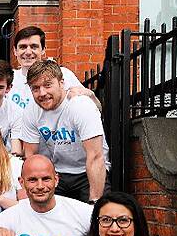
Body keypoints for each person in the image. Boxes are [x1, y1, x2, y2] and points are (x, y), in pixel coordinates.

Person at [20, 60, 110, 203]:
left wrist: (94, 202)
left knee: (95, 217)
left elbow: (95, 156)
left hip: (87, 171)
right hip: (56, 173)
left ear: (61, 83)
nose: (42, 93)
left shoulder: (80, 105)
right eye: (35, 88)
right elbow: (31, 156)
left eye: (47, 85)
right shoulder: (31, 111)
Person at [6, 26, 86, 111]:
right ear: (15, 51)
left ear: (43, 50)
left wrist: (88, 95)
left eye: (34, 47)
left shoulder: (63, 74)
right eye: (23, 47)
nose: (28, 52)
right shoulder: (8, 78)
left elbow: (91, 107)